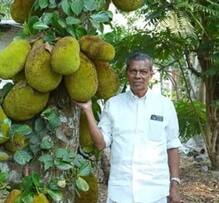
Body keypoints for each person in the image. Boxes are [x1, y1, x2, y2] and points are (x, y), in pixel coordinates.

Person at [76, 52, 182, 203]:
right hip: (121, 191)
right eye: (133, 71)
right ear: (127, 73)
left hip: (155, 191)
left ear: (151, 74)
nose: (138, 76)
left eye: (143, 72)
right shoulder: (113, 105)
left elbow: (172, 146)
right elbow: (100, 143)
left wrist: (175, 184)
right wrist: (87, 109)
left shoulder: (165, 105)